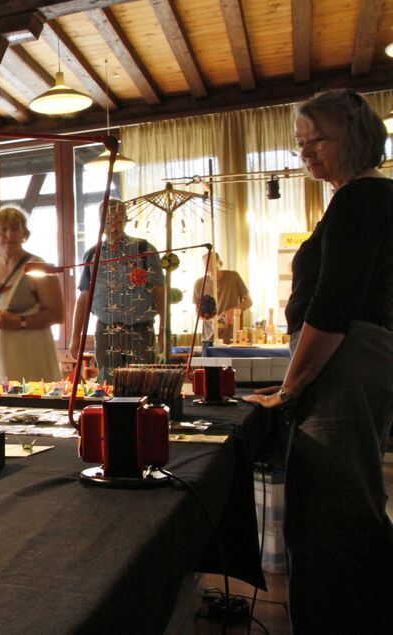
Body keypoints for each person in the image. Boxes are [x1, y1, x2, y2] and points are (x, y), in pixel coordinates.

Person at [243, 89, 393, 633]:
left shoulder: (360, 199)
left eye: (317, 140)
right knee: (347, 499)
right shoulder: (367, 198)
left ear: (353, 138)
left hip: (346, 362)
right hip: (358, 360)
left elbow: (333, 308)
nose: (304, 152)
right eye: (300, 142)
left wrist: (290, 386)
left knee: (334, 510)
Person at [69, 199, 165, 384]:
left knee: (143, 383)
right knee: (107, 385)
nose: (112, 227)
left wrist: (163, 329)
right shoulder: (93, 254)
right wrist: (75, 337)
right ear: (100, 222)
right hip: (106, 329)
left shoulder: (144, 250)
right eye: (107, 221)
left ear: (126, 219)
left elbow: (160, 290)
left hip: (141, 329)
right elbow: (84, 296)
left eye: (117, 220)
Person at [0, 207, 63, 387]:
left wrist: (19, 321)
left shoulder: (37, 266)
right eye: (3, 230)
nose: (9, 235)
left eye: (14, 229)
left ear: (24, 233)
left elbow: (56, 314)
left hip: (31, 358)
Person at [192, 251, 252, 349]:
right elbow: (198, 312)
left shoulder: (233, 276)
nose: (210, 268)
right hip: (210, 338)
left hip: (233, 338)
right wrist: (213, 321)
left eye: (212, 264)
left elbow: (248, 301)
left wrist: (232, 312)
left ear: (220, 263)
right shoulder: (199, 284)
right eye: (207, 265)